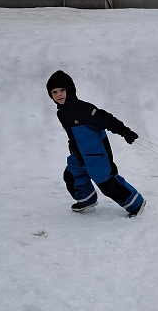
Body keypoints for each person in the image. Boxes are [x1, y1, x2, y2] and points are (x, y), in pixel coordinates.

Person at [46, 70, 146, 216]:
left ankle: (135, 203)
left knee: (107, 183)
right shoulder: (61, 113)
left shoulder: (83, 109)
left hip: (96, 155)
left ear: (70, 89)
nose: (59, 95)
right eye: (54, 92)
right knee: (72, 176)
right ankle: (87, 199)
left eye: (62, 90)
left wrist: (124, 131)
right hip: (78, 154)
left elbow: (105, 119)